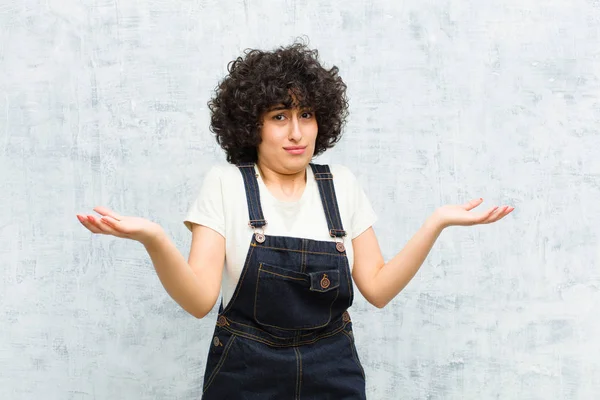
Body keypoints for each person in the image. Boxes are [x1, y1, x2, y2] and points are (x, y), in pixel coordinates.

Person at [76, 42, 514, 399]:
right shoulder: (226, 184)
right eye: (279, 117)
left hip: (333, 369)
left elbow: (377, 289)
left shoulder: (341, 184)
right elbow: (199, 301)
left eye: (306, 115)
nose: (297, 132)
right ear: (252, 126)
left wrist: (436, 222)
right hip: (246, 371)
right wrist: (153, 238)